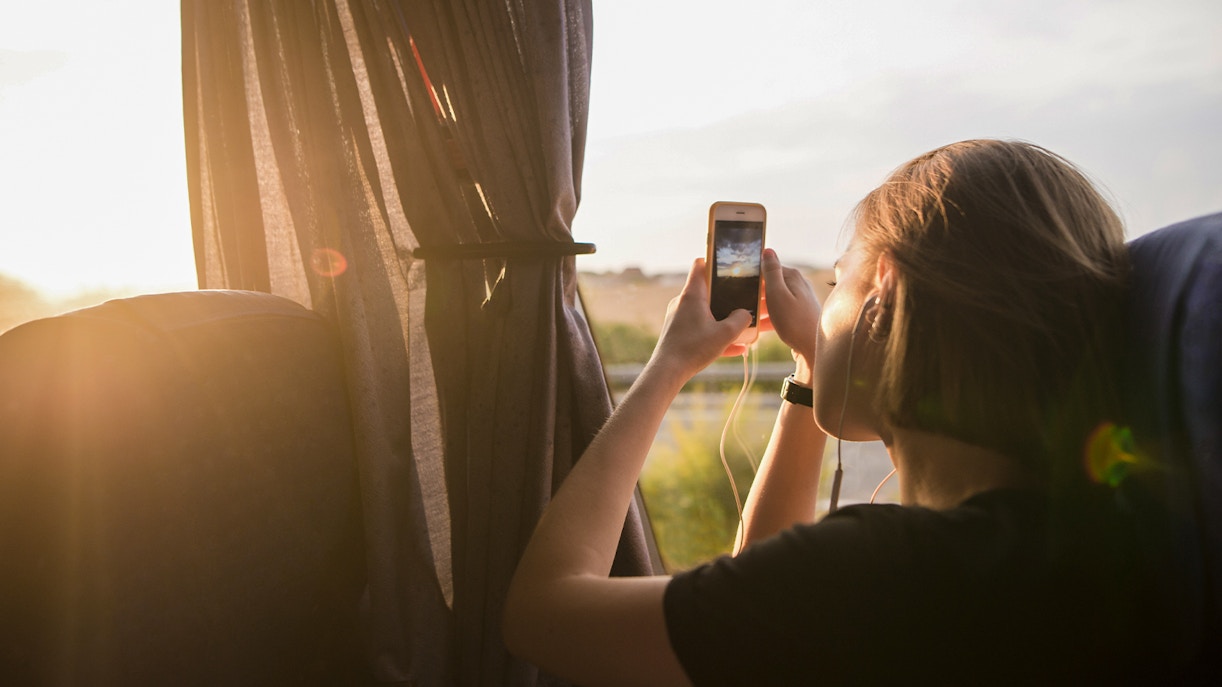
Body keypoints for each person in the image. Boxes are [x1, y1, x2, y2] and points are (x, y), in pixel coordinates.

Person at [503, 140, 1156, 685]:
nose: (824, 305)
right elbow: (756, 604)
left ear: (885, 291)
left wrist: (666, 366)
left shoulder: (881, 571)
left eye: (836, 280)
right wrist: (813, 373)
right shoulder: (1100, 544)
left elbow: (542, 612)